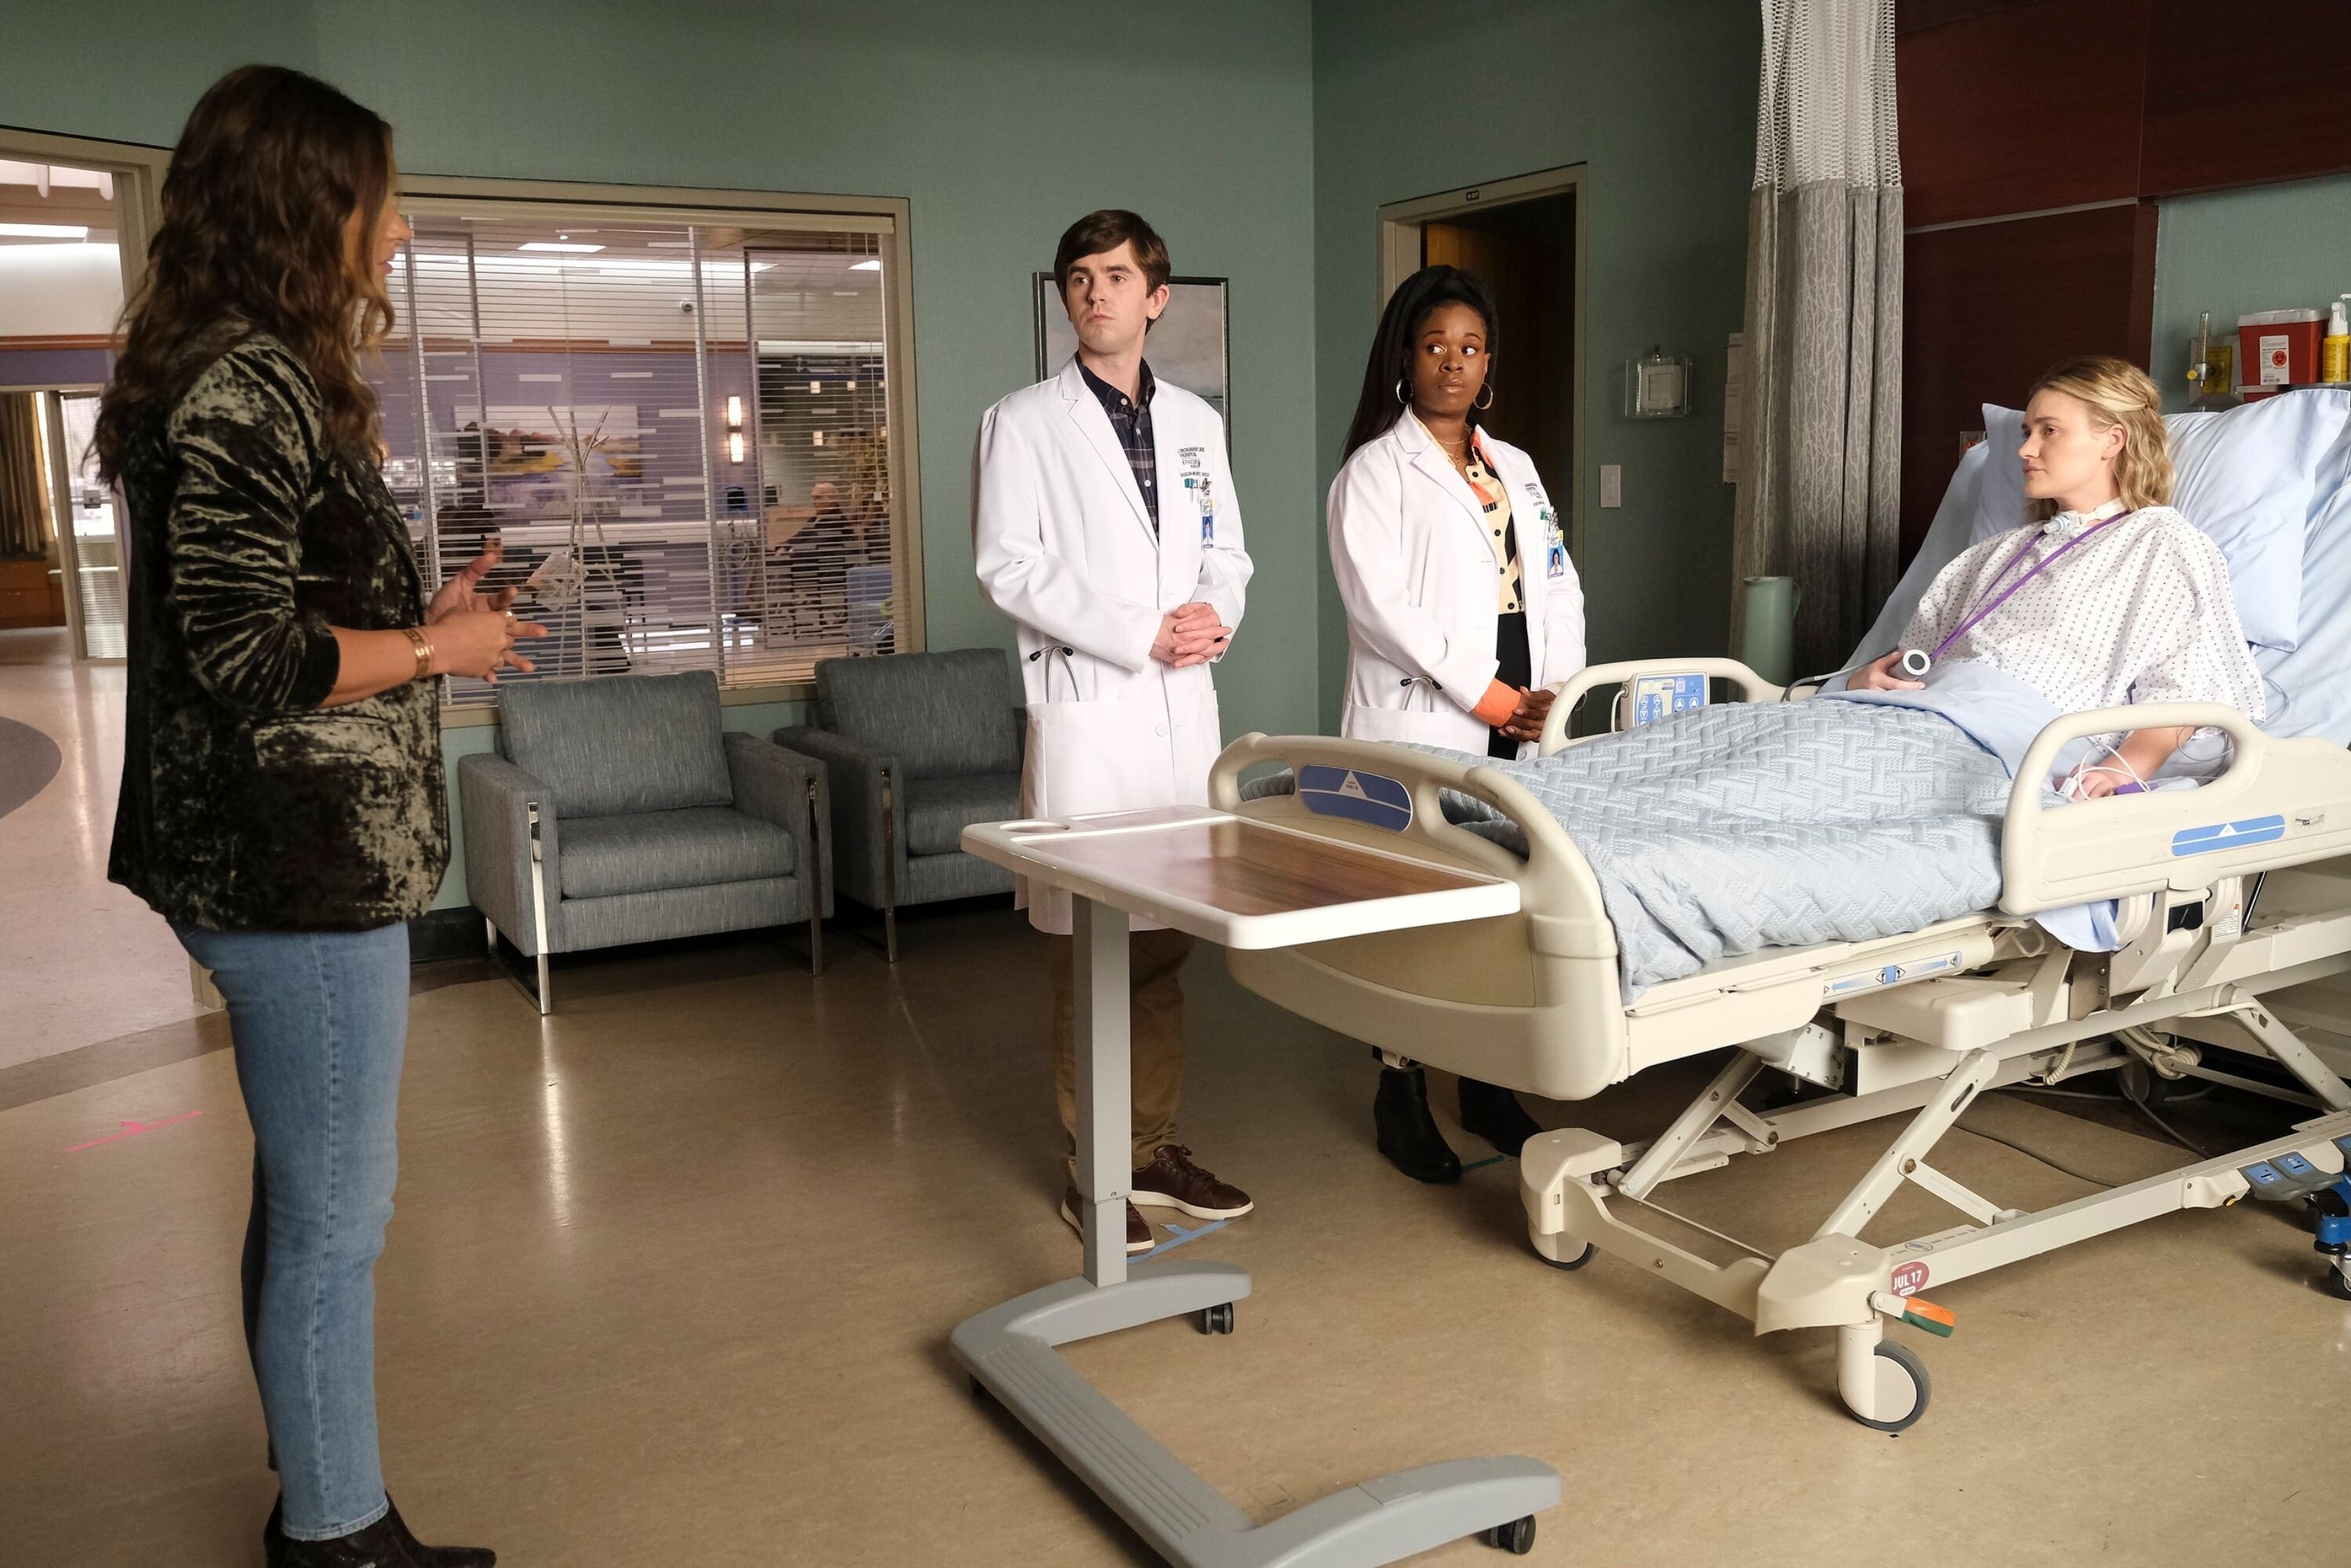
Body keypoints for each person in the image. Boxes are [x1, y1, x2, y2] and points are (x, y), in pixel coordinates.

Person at [96, 65, 542, 1568]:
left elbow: (279, 599)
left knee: (304, 1195)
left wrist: (423, 609)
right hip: (292, 863)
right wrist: (432, 647)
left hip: (276, 853)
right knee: (337, 1218)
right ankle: (337, 1536)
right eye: (382, 201)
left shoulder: (235, 366)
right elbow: (242, 655)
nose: (398, 231)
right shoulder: (243, 380)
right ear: (309, 206)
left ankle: (316, 1488)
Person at [974, 209, 1256, 1254]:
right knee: (1091, 965)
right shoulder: (1020, 422)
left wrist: (1212, 615)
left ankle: (1151, 1151)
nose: (1096, 292)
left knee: (1162, 960)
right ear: (1067, 298)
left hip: (1180, 722)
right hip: (1091, 719)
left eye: (1116, 276)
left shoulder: (1194, 422)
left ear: (1155, 297)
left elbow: (1226, 552)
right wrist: (1142, 630)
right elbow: (1008, 566)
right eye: (1080, 278)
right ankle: (1092, 1173)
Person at [1326, 264, 1587, 1185]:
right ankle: (1397, 1088)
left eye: (1469, 347)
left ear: (1488, 363)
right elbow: (1383, 612)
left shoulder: (1512, 465)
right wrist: (1489, 697)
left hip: (1522, 709)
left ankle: (1485, 1082)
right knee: (1416, 911)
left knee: (1502, 904)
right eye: (1434, 344)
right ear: (1404, 356)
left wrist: (1555, 692)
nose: (1452, 362)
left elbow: (1556, 580)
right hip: (1433, 711)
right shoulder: (1372, 472)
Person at [1849, 354, 2265, 783]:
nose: (2025, 449)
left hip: (2013, 746)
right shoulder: (1991, 555)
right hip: (1918, 718)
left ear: (2113, 440)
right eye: (2027, 432)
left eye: (2049, 431)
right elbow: (1912, 662)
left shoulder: (2161, 543)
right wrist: (1864, 682)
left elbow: (2185, 690)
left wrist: (2117, 773)